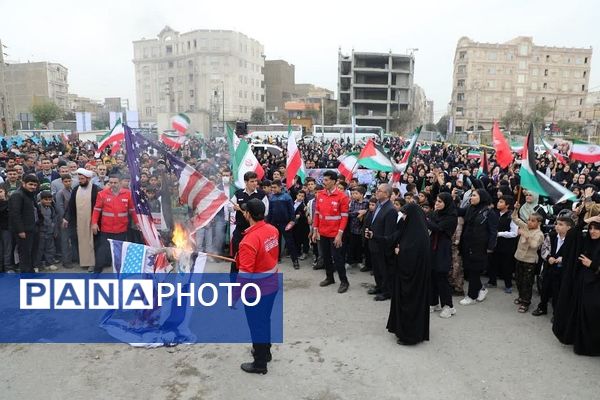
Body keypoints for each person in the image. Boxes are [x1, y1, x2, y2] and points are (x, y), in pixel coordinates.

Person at [236, 198, 280, 374]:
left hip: (257, 290)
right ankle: (265, 351)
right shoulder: (272, 230)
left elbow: (245, 274)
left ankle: (260, 363)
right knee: (264, 320)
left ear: (248, 214)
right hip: (272, 284)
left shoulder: (248, 241)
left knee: (256, 325)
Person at [387, 203, 431, 345]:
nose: (403, 217)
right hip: (408, 276)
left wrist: (400, 253)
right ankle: (402, 330)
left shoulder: (418, 235)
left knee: (410, 303)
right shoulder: (414, 230)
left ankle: (410, 336)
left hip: (412, 279)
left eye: (405, 215)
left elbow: (412, 256)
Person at [311, 170, 350, 293]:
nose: (324, 182)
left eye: (327, 180)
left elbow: (344, 217)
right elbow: (317, 214)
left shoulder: (342, 196)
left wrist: (339, 234)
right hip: (323, 232)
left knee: (338, 259)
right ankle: (329, 278)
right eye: (324, 179)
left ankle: (344, 281)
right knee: (326, 257)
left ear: (334, 181)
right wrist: (315, 230)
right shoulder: (320, 194)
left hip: (335, 234)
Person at [458, 189, 499, 305]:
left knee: (474, 270)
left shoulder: (489, 213)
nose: (471, 198)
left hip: (479, 246)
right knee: (469, 269)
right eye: (471, 195)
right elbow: (459, 211)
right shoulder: (470, 208)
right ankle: (481, 288)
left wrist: (490, 247)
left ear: (482, 197)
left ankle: (472, 296)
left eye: (474, 196)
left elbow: (493, 231)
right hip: (467, 243)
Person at [91, 175, 137, 273]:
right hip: (106, 229)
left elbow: (132, 210)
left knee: (119, 252)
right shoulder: (102, 194)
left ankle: (120, 273)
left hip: (121, 229)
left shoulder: (128, 194)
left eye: (115, 183)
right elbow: (96, 210)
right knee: (102, 251)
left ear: (120, 183)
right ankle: (96, 272)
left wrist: (137, 222)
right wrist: (94, 223)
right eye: (111, 182)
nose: (113, 185)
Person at [533, 216, 574, 317]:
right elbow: (544, 248)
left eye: (561, 224)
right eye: (557, 224)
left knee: (558, 292)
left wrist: (563, 258)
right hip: (549, 268)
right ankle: (542, 307)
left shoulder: (572, 240)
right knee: (544, 289)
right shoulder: (551, 235)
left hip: (561, 271)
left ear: (568, 227)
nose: (557, 226)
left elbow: (574, 254)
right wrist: (548, 257)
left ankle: (557, 313)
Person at [427, 192, 458, 318]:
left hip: (443, 248)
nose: (437, 204)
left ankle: (448, 306)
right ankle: (433, 302)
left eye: (440, 202)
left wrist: (426, 220)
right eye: (437, 201)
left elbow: (438, 228)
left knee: (441, 276)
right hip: (432, 247)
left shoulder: (451, 216)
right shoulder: (435, 213)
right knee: (431, 275)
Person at [231, 172, 269, 274]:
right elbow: (228, 206)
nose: (254, 183)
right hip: (240, 231)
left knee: (254, 259)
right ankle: (233, 285)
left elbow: (266, 212)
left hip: (256, 233)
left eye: (256, 181)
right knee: (236, 259)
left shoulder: (261, 194)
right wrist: (233, 207)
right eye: (252, 181)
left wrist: (251, 214)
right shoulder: (238, 193)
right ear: (246, 182)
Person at [364, 184, 397, 301]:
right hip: (374, 242)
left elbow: (388, 233)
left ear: (387, 194)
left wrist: (376, 236)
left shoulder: (391, 210)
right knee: (376, 268)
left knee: (384, 269)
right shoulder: (378, 204)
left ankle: (387, 291)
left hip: (382, 245)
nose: (376, 192)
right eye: (377, 190)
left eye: (380, 191)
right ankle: (379, 286)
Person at [63, 168, 100, 272]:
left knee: (92, 241)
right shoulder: (76, 189)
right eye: (79, 179)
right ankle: (84, 261)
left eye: (82, 179)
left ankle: (93, 263)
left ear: (88, 178)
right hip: (79, 221)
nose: (80, 181)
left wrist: (96, 222)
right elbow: (70, 206)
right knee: (82, 241)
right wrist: (66, 218)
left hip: (92, 221)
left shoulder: (96, 189)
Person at [511, 206, 544, 313]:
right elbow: (515, 218)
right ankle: (521, 297)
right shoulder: (525, 226)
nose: (529, 222)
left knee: (527, 283)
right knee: (518, 280)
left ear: (539, 223)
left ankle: (525, 302)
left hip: (529, 261)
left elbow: (534, 245)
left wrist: (526, 236)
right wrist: (516, 208)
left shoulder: (539, 234)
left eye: (533, 221)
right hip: (519, 257)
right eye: (529, 220)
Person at [8, 174, 40, 273]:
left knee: (31, 252)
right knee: (24, 254)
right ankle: (26, 276)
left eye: (35, 185)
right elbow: (15, 214)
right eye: (30, 184)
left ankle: (30, 273)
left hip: (32, 229)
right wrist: (20, 230)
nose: (33, 187)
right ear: (24, 183)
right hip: (24, 231)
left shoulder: (29, 194)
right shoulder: (17, 195)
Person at [267, 179, 300, 269]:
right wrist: (268, 223)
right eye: (272, 187)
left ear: (280, 187)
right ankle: (277, 258)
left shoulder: (287, 197)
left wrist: (292, 221)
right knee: (275, 242)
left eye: (275, 187)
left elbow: (291, 210)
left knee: (290, 242)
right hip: (274, 223)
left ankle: (295, 260)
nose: (273, 189)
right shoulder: (271, 197)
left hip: (285, 223)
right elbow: (270, 211)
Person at [489, 195, 518, 293]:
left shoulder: (511, 216)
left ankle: (508, 285)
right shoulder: (495, 214)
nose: (498, 203)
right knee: (493, 263)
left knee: (506, 265)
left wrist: (499, 234)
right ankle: (492, 281)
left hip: (507, 245)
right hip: (495, 243)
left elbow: (514, 233)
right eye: (499, 201)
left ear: (507, 205)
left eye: (501, 202)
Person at [35, 190, 58, 271]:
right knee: (39, 249)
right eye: (46, 199)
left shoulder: (52, 208)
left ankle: (49, 263)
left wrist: (54, 230)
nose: (48, 201)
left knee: (50, 248)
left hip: (50, 232)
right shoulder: (37, 207)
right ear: (41, 199)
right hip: (40, 232)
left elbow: (54, 219)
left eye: (50, 199)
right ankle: (36, 265)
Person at [55, 174, 74, 268]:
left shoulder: (72, 191)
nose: (68, 183)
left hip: (72, 219)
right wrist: (63, 219)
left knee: (72, 240)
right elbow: (60, 207)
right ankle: (66, 261)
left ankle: (73, 258)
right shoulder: (60, 193)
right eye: (65, 181)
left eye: (69, 181)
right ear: (62, 182)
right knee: (65, 241)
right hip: (64, 220)